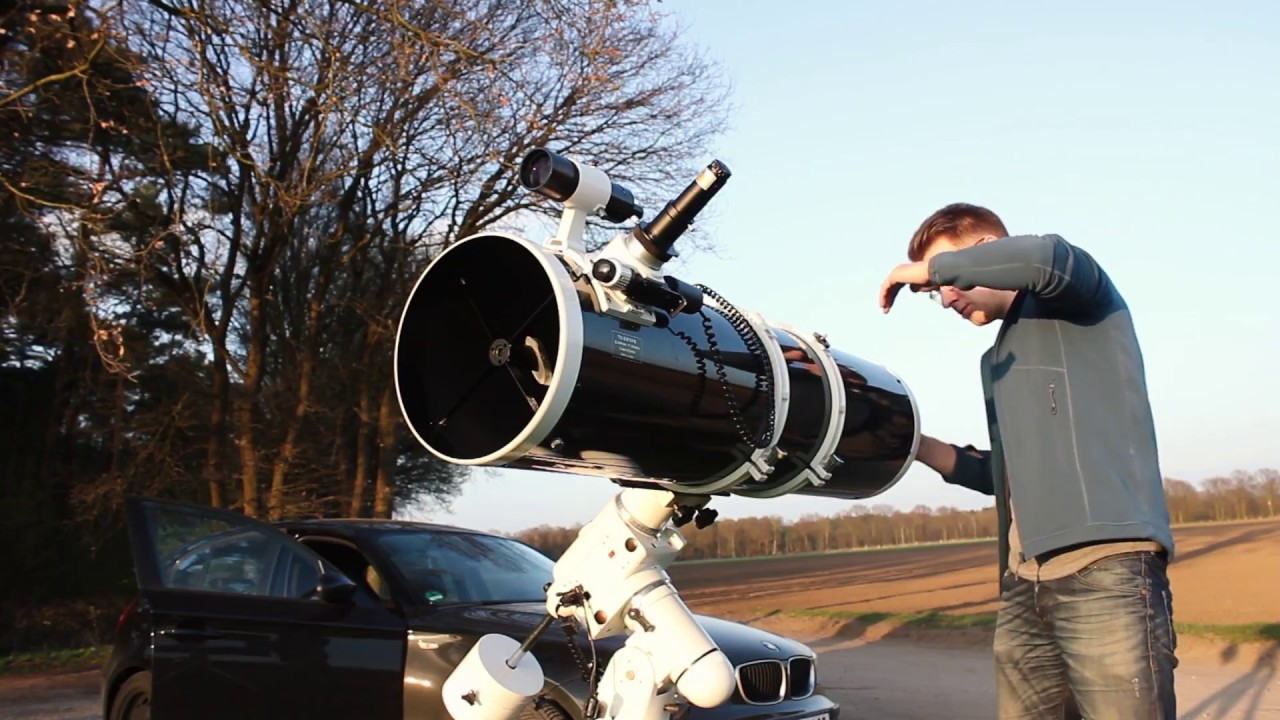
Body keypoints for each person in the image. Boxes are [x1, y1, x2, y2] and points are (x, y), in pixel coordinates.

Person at [878, 203, 1178, 719]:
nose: (945, 296)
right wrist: (913, 443)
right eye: (936, 290)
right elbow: (1003, 474)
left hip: (1106, 570)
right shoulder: (997, 360)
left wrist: (924, 271)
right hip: (1023, 585)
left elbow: (1045, 257)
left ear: (988, 251)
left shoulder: (1078, 297)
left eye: (946, 278)